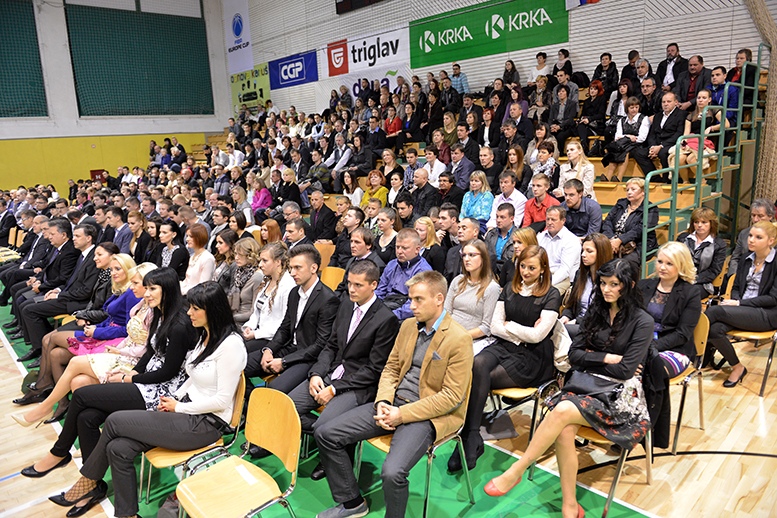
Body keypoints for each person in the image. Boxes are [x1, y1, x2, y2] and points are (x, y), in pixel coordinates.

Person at [48, 281, 245, 518]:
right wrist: (174, 399)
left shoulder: (231, 345)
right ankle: (127, 514)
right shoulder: (206, 336)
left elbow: (222, 400)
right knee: (118, 448)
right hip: (184, 411)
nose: (189, 313)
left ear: (212, 310)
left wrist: (179, 406)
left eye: (195, 309)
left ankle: (87, 483)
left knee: (115, 421)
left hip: (205, 423)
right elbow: (192, 377)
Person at [484, 259, 652, 518]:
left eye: (614, 285)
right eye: (603, 283)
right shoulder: (596, 312)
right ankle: (570, 506)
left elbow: (625, 371)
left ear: (628, 286)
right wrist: (607, 358)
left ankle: (517, 470)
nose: (606, 289)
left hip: (619, 399)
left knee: (561, 411)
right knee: (564, 429)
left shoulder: (642, 321)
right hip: (585, 387)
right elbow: (574, 355)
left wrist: (592, 357)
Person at [314, 270, 473, 518]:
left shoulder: (459, 339)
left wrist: (402, 414)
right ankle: (352, 502)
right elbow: (391, 368)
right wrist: (383, 400)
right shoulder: (408, 326)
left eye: (418, 300)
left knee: (392, 472)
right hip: (393, 402)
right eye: (411, 299)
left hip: (425, 415)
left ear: (439, 299)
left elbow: (451, 397)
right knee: (325, 433)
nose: (412, 306)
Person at [16, 268, 196, 480]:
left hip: (161, 391)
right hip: (145, 378)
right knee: (86, 416)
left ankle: (58, 452)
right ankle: (90, 480)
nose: (147, 293)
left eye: (152, 289)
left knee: (82, 394)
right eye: (146, 288)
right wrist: (133, 371)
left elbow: (168, 372)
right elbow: (151, 351)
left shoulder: (179, 324)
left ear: (168, 290)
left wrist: (130, 377)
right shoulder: (158, 313)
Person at [288, 259, 399, 480]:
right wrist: (316, 373)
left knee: (324, 426)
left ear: (374, 285)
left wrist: (334, 389)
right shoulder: (346, 304)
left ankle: (330, 450)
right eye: (349, 283)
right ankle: (335, 444)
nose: (351, 289)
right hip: (332, 373)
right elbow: (331, 345)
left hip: (357, 386)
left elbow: (373, 370)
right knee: (288, 407)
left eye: (358, 285)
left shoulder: (386, 319)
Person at [455, 246, 560, 472]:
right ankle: (471, 434)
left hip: (533, 357)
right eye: (522, 266)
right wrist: (519, 332)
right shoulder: (510, 289)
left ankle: (467, 436)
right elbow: (494, 327)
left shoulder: (551, 294)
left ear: (543, 269)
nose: (525, 272)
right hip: (504, 346)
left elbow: (537, 336)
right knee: (477, 363)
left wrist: (509, 326)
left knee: (480, 377)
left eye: (532, 268)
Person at [13, 262, 156, 425]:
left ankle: (45, 404)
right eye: (112, 269)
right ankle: (68, 414)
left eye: (135, 282)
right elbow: (117, 323)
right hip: (116, 342)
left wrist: (102, 335)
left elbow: (141, 342)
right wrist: (94, 324)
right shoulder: (138, 303)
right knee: (74, 377)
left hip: (129, 356)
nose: (131, 286)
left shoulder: (141, 303)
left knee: (59, 347)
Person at [255, 245, 339, 394]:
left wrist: (284, 361)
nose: (292, 273)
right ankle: (249, 400)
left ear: (313, 268)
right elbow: (285, 328)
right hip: (289, 348)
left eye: (298, 268)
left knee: (275, 390)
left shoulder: (328, 299)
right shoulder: (294, 292)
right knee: (241, 365)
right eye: (291, 268)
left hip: (308, 357)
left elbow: (320, 344)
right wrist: (269, 349)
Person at [705, 221, 777, 386]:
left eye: (758, 237)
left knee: (715, 311)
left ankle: (689, 350)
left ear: (771, 240)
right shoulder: (745, 259)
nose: (751, 240)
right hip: (743, 310)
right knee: (715, 329)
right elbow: (736, 287)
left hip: (767, 314)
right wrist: (738, 303)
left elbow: (773, 298)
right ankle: (737, 367)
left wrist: (739, 303)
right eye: (750, 235)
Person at [639, 242, 702, 380]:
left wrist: (649, 346)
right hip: (642, 343)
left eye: (669, 264)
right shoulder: (643, 285)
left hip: (675, 349)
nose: (662, 267)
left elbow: (682, 334)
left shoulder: (691, 293)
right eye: (660, 261)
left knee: (649, 369)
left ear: (681, 265)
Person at [671, 89, 730, 183]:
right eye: (699, 98)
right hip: (692, 141)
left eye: (704, 98)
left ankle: (702, 181)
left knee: (691, 159)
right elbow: (686, 133)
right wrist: (683, 142)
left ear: (709, 99)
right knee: (680, 159)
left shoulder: (714, 110)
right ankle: (685, 182)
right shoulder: (691, 115)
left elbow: (726, 124)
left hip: (705, 143)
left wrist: (711, 128)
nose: (700, 100)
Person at [561, 233, 613, 338]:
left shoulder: (610, 280)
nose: (583, 255)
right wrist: (566, 316)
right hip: (576, 325)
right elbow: (571, 305)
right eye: (583, 250)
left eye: (589, 251)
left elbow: (603, 314)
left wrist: (576, 321)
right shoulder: (580, 275)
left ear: (601, 253)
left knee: (558, 332)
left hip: (596, 328)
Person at [375, 228, 432, 321]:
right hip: (385, 306)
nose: (399, 251)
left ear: (417, 249)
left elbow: (414, 304)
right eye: (397, 247)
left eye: (405, 248)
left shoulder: (423, 271)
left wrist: (388, 316)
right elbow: (380, 291)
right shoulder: (392, 264)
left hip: (404, 315)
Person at [632, 92, 687, 182]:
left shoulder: (682, 115)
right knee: (638, 153)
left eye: (669, 101)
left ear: (676, 102)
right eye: (663, 102)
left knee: (663, 153)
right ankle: (655, 178)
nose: (665, 104)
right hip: (656, 144)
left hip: (670, 144)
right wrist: (653, 147)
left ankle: (667, 180)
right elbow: (652, 134)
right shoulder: (658, 115)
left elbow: (678, 134)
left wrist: (661, 146)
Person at [602, 178, 658, 265]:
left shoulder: (651, 208)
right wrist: (612, 239)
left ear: (643, 191)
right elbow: (608, 221)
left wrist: (620, 240)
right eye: (627, 190)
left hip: (639, 244)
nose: (629, 192)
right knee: (596, 251)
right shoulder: (621, 203)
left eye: (633, 189)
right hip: (613, 240)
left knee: (627, 261)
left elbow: (640, 230)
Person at [676, 207, 727, 298]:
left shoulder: (719, 244)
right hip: (679, 277)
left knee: (687, 293)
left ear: (711, 224)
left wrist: (693, 279)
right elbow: (674, 260)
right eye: (696, 222)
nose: (699, 225)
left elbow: (714, 270)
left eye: (704, 222)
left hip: (702, 283)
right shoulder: (683, 238)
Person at [601, 96, 649, 183]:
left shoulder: (644, 119)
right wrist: (629, 136)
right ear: (627, 108)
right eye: (632, 107)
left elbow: (641, 138)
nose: (634, 110)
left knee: (625, 151)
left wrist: (625, 137)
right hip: (623, 144)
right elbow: (617, 136)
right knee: (616, 150)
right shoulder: (622, 120)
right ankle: (608, 177)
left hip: (637, 145)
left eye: (636, 107)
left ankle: (619, 178)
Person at [537, 206, 581, 294]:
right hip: (541, 274)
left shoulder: (571, 240)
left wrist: (546, 284)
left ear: (563, 221)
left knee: (547, 294)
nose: (549, 223)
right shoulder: (540, 237)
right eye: (548, 219)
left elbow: (565, 270)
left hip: (562, 279)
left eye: (553, 220)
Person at [728, 199, 775, 276]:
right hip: (742, 275)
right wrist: (735, 276)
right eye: (753, 215)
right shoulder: (744, 233)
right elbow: (735, 258)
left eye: (760, 216)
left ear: (770, 216)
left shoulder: (775, 235)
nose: (756, 220)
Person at [227, 237, 264, 326]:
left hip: (245, 323)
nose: (236, 258)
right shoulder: (239, 271)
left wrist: (230, 318)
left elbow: (254, 312)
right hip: (234, 317)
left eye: (240, 255)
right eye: (235, 254)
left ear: (250, 255)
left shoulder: (257, 277)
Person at [180, 224, 216, 295]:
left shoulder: (208, 258)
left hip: (197, 297)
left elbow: (203, 286)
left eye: (191, 236)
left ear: (199, 237)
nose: (187, 239)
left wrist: (182, 291)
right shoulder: (192, 256)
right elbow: (187, 281)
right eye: (187, 236)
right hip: (187, 294)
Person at [576, 80, 608, 154]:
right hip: (586, 125)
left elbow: (601, 115)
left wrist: (589, 119)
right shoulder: (586, 101)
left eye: (595, 89)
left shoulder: (602, 99)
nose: (592, 91)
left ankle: (584, 145)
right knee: (579, 126)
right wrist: (581, 119)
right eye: (591, 89)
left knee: (581, 128)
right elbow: (582, 114)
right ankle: (584, 144)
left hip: (597, 125)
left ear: (599, 90)